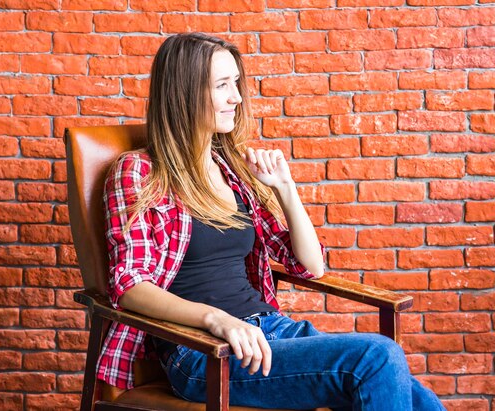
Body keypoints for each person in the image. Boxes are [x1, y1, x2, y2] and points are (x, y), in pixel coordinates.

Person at [97, 32, 445, 410]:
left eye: (236, 83)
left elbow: (310, 265)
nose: (237, 97)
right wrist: (217, 320)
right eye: (223, 85)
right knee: (376, 357)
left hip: (273, 332)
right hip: (204, 351)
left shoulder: (230, 170)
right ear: (185, 92)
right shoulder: (139, 171)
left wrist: (285, 188)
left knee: (414, 394)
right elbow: (129, 286)